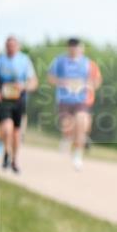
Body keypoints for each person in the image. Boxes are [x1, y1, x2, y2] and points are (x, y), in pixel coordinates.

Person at [47, 38, 102, 170]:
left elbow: (97, 80)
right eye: (71, 47)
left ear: (81, 48)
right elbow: (50, 78)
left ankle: (78, 156)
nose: (74, 49)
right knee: (67, 128)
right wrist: (62, 82)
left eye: (76, 47)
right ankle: (67, 138)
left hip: (81, 100)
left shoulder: (88, 63)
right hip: (64, 99)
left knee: (81, 125)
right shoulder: (59, 61)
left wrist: (89, 85)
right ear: (68, 48)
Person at [0, 36, 39, 174]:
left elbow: (33, 83)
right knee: (7, 128)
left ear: (18, 46)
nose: (11, 48)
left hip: (19, 101)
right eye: (8, 45)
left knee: (16, 133)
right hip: (3, 100)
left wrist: (23, 86)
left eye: (13, 45)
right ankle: (6, 152)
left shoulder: (24, 61)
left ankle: (14, 159)